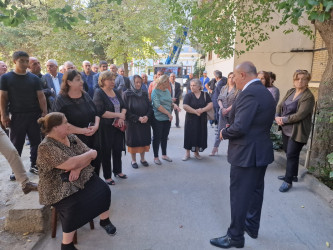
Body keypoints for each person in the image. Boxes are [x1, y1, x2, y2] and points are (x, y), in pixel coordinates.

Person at [210, 61, 275, 249]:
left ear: (243, 75)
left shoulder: (249, 93)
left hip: (246, 153)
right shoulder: (264, 92)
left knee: (239, 195)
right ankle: (251, 227)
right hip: (259, 151)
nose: (234, 80)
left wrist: (224, 133)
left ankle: (235, 237)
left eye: (235, 76)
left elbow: (240, 127)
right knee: (255, 192)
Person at [37, 112, 116, 250]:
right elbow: (75, 161)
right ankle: (66, 244)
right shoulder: (46, 147)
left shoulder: (71, 137)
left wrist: (78, 167)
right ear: (55, 127)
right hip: (58, 184)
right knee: (73, 206)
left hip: (81, 175)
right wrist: (86, 157)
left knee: (103, 190)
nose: (68, 125)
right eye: (65, 123)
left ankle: (105, 220)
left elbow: (92, 154)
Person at [0, 51, 47, 176]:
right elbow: (3, 97)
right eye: (22, 61)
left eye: (27, 61)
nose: (25, 63)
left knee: (36, 142)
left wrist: (44, 113)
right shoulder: (6, 78)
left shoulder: (34, 78)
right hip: (17, 115)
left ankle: (34, 165)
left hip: (34, 115)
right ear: (15, 61)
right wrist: (3, 115)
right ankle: (16, 170)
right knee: (16, 144)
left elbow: (41, 97)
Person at [52, 70, 101, 176]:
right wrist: (82, 131)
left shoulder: (86, 95)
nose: (82, 82)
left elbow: (96, 113)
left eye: (81, 79)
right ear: (69, 82)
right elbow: (61, 124)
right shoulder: (61, 100)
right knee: (81, 172)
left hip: (94, 138)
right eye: (78, 80)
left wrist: (96, 126)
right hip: (74, 143)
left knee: (95, 168)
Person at [275, 70, 315, 192]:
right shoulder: (290, 91)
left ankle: (288, 181)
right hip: (286, 128)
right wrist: (277, 116)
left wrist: (283, 119)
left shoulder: (308, 96)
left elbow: (300, 115)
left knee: (292, 154)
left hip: (297, 130)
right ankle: (292, 175)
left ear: (307, 80)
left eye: (303, 79)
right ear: (294, 80)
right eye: (298, 79)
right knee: (289, 152)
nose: (300, 81)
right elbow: (280, 105)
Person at [93, 71, 127, 185]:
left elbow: (124, 106)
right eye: (110, 80)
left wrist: (122, 118)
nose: (113, 82)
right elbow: (100, 112)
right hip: (105, 127)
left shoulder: (116, 91)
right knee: (106, 151)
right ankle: (107, 176)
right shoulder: (99, 93)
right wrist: (118, 115)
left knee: (117, 149)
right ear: (103, 81)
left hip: (118, 126)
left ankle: (118, 171)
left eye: (113, 79)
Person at [123, 75, 153, 169]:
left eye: (140, 82)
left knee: (143, 141)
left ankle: (143, 159)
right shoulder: (126, 94)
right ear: (132, 82)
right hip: (133, 123)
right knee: (133, 142)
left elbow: (150, 107)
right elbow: (125, 110)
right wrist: (137, 118)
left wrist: (147, 116)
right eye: (136, 82)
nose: (138, 84)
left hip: (144, 122)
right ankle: (133, 160)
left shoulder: (144, 93)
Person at [151, 75, 180, 165]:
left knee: (164, 137)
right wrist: (168, 113)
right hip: (157, 118)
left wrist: (174, 105)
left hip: (167, 119)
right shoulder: (155, 92)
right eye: (167, 81)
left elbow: (169, 101)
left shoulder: (167, 91)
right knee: (157, 138)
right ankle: (156, 157)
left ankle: (164, 155)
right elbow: (157, 105)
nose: (169, 83)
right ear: (163, 82)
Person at [182, 79, 213, 160]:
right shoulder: (188, 95)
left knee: (199, 134)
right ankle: (187, 153)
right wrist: (195, 112)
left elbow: (210, 104)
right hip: (190, 119)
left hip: (201, 119)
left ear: (199, 86)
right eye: (191, 85)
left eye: (194, 85)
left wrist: (202, 110)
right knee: (189, 135)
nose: (191, 87)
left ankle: (196, 153)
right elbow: (185, 106)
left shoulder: (205, 94)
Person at [210, 72, 238, 156]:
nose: (231, 79)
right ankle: (215, 148)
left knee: (232, 132)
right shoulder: (223, 88)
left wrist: (228, 109)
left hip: (233, 113)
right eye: (229, 77)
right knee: (220, 131)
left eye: (233, 77)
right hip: (222, 112)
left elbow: (237, 102)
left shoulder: (238, 89)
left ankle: (230, 150)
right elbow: (219, 99)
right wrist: (222, 108)